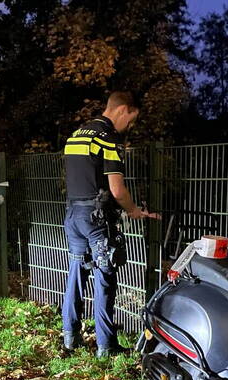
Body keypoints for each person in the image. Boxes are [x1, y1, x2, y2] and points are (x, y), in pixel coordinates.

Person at [61, 91, 158, 357]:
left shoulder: (77, 135)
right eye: (132, 119)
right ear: (124, 109)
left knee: (76, 276)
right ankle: (106, 347)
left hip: (73, 215)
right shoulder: (108, 137)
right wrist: (133, 210)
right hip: (96, 218)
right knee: (105, 280)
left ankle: (70, 338)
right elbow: (117, 189)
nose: (130, 125)